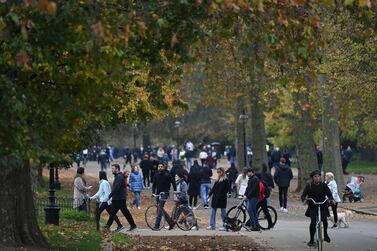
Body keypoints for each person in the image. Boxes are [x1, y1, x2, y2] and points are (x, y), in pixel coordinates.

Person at [301, 170, 334, 247]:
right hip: (313, 205)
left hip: (322, 205)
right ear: (312, 178)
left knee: (325, 220)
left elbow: (329, 194)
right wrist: (304, 199)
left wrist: (331, 199)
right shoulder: (309, 185)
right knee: (313, 221)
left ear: (320, 177)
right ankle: (312, 240)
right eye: (315, 176)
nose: (317, 178)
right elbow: (303, 195)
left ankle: (325, 234)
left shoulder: (323, 185)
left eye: (318, 176)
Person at [105, 164, 137, 231]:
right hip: (117, 198)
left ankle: (133, 225)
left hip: (120, 199)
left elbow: (116, 188)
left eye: (113, 168)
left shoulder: (119, 177)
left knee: (124, 212)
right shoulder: (118, 176)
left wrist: (109, 196)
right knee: (113, 213)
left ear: (117, 169)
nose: (112, 170)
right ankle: (107, 227)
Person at [152, 163, 177, 230]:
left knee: (160, 208)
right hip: (158, 194)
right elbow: (154, 185)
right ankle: (171, 222)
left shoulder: (167, 175)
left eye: (161, 166)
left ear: (164, 167)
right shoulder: (156, 175)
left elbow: (173, 182)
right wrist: (153, 193)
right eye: (159, 166)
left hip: (165, 193)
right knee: (160, 209)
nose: (160, 168)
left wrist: (175, 190)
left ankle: (157, 225)